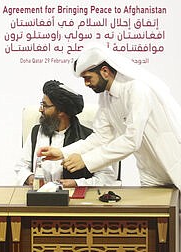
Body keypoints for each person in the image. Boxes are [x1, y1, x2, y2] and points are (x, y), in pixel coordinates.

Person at [39, 45, 181, 188]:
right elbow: (101, 137)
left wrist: (86, 160)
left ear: (105, 71)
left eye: (88, 78)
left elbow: (132, 140)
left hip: (174, 166)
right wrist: (62, 152)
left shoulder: (137, 89)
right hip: (151, 175)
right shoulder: (106, 98)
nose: (86, 84)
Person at [15, 80, 116, 187]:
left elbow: (107, 177)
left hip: (75, 200)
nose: (40, 109)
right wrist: (31, 179)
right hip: (39, 197)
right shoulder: (36, 132)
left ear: (61, 111)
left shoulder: (89, 138)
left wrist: (77, 183)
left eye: (45, 106)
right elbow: (21, 166)